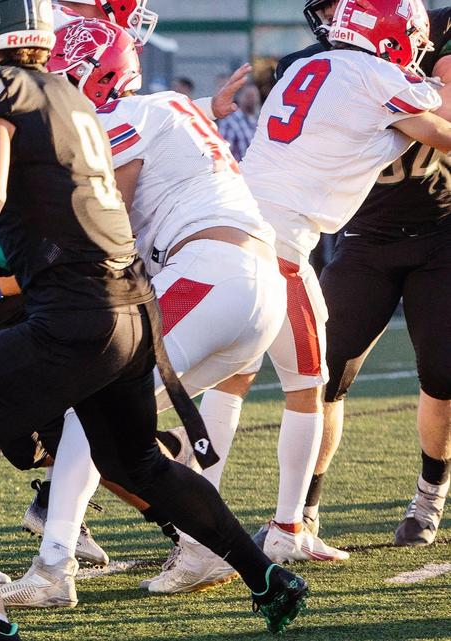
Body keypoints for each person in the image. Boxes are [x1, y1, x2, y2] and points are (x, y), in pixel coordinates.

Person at [0, 1, 307, 637]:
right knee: (141, 466)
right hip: (131, 308)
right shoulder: (72, 101)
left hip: (72, 317)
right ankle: (263, 575)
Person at [216, 0, 451, 564]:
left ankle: (424, 496)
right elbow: (437, 126)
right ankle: (291, 516)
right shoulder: (368, 69)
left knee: (439, 374)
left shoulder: (322, 64)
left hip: (433, 236)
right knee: (318, 377)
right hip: (349, 241)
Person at [219, 81, 261, 162]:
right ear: (239, 97)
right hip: (237, 170)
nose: (253, 100)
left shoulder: (255, 121)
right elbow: (223, 151)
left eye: (255, 96)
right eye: (249, 96)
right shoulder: (230, 121)